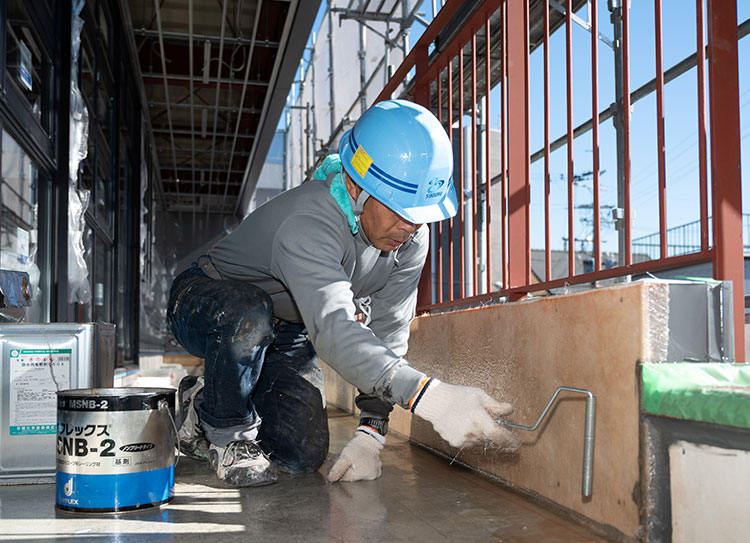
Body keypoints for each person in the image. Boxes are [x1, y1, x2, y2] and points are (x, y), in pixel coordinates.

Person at [167, 99, 518, 488]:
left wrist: (372, 433)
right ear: (355, 184)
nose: (410, 226)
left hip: (288, 328)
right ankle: (223, 429)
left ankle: (212, 396)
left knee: (300, 455)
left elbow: (388, 333)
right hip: (207, 301)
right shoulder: (310, 222)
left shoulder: (411, 241)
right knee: (249, 313)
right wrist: (430, 397)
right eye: (400, 210)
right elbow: (334, 330)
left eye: (420, 214)